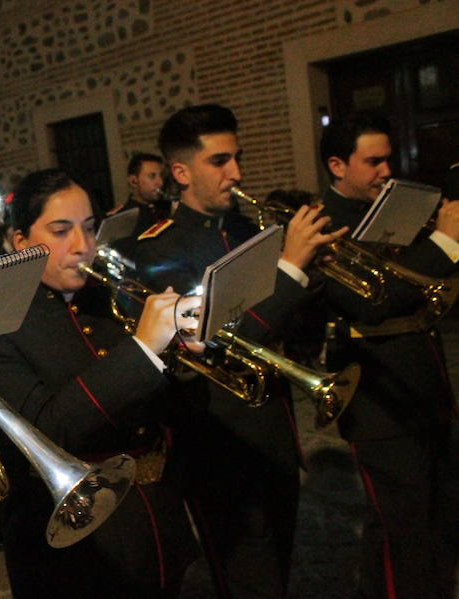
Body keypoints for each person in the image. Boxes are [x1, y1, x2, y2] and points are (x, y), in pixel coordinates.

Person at [133, 104, 346, 599]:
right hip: (218, 446)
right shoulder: (157, 248)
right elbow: (220, 340)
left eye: (238, 158)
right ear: (181, 172)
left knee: (281, 568)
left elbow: (288, 324)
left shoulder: (250, 232)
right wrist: (290, 268)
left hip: (273, 431)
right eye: (220, 161)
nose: (238, 173)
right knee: (249, 583)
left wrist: (315, 272)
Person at [0, 168, 203, 598]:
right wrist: (143, 351)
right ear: (21, 241)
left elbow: (164, 411)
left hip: (156, 518)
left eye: (90, 228)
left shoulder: (110, 297)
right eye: (61, 231)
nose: (83, 247)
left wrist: (183, 360)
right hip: (76, 548)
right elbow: (48, 429)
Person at [318, 114, 459, 599]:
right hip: (376, 397)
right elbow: (368, 304)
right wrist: (443, 243)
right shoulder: (323, 224)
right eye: (373, 161)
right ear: (337, 165)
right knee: (403, 526)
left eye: (387, 159)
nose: (386, 171)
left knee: (441, 513)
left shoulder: (395, 207)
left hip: (425, 380)